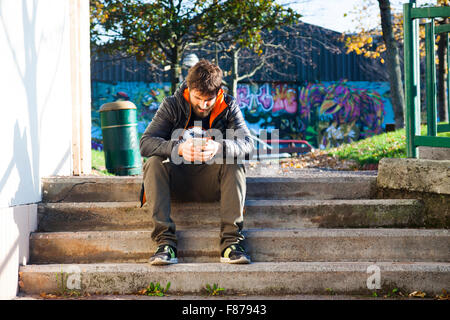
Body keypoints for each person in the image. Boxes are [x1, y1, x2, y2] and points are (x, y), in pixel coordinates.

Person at [139, 59, 255, 265]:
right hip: (176, 183)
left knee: (235, 162)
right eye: (198, 98)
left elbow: (248, 145)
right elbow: (146, 143)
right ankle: (165, 243)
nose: (203, 105)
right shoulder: (171, 105)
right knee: (154, 162)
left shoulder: (229, 106)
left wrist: (220, 147)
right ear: (189, 88)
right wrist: (178, 148)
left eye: (209, 99)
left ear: (218, 92)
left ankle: (231, 244)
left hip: (213, 183)